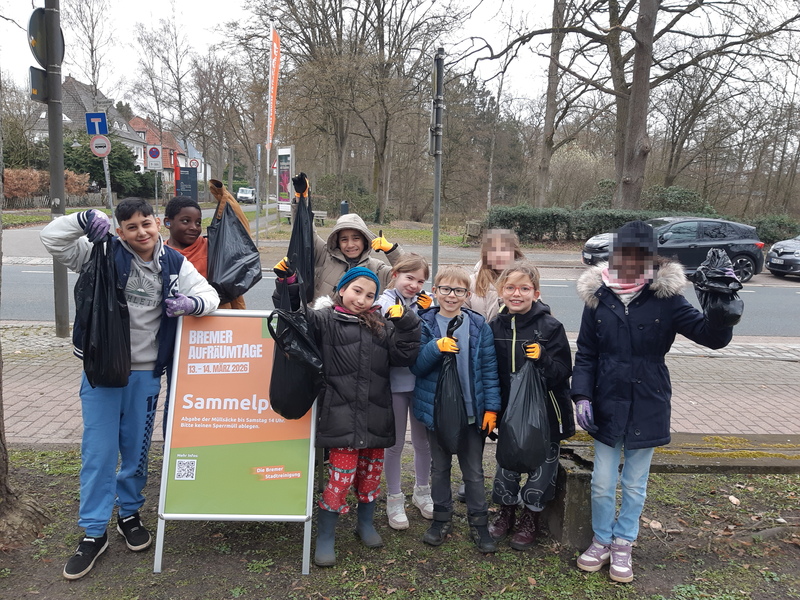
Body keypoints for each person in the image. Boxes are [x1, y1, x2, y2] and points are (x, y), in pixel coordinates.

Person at [40, 199, 219, 580]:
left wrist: (192, 304)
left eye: (146, 224)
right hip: (103, 372)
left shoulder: (174, 263)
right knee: (99, 452)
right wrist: (83, 219)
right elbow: (51, 238)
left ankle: (129, 513)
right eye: (132, 227)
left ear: (158, 224)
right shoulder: (99, 253)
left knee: (136, 452)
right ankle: (93, 532)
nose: (141, 232)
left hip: (146, 375)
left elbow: (211, 296)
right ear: (119, 230)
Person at [571, 220, 735, 583]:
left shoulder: (667, 299)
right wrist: (581, 393)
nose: (628, 262)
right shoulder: (598, 298)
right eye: (622, 254)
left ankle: (623, 542)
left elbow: (711, 338)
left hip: (648, 399)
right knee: (601, 481)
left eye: (637, 256)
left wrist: (722, 308)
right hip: (606, 401)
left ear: (650, 260)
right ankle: (601, 539)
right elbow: (586, 353)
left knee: (633, 482)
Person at [272, 262, 421, 567]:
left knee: (370, 478)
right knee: (340, 479)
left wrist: (406, 323)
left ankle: (365, 524)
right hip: (340, 416)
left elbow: (405, 355)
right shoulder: (325, 319)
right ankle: (326, 535)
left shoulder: (381, 325)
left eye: (369, 295)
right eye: (356, 291)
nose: (362, 299)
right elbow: (296, 317)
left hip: (377, 416)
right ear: (341, 289)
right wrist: (288, 285)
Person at [411, 265, 502, 553]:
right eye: (446, 289)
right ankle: (441, 518)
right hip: (438, 413)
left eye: (459, 290)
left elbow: (489, 370)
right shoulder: (422, 323)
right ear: (435, 291)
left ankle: (478, 522)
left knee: (473, 471)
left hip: (472, 413)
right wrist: (435, 347)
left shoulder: (477, 326)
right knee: (440, 468)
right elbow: (416, 365)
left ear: (468, 294)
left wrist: (491, 409)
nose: (451, 295)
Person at [487, 261, 574, 549]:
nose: (517, 294)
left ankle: (531, 518)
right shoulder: (494, 326)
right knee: (507, 465)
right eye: (510, 287)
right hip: (509, 415)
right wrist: (491, 409)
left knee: (541, 468)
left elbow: (563, 372)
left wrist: (544, 358)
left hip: (545, 415)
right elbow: (489, 371)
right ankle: (506, 513)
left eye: (524, 288)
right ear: (501, 291)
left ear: (536, 293)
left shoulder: (551, 327)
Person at [376, 254, 434, 529]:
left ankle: (423, 492)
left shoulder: (425, 302)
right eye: (409, 278)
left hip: (421, 382)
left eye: (420, 281)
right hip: (395, 384)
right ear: (395, 274)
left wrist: (428, 311)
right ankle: (394, 498)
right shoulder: (384, 302)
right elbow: (391, 330)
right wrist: (415, 315)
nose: (414, 285)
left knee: (423, 443)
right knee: (396, 445)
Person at [290, 174, 404, 299]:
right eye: (344, 239)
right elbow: (304, 231)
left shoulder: (376, 269)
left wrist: (392, 251)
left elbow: (408, 275)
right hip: (319, 318)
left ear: (365, 240)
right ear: (337, 241)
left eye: (356, 238)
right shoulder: (323, 255)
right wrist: (302, 199)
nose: (350, 245)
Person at [466, 228, 525, 322]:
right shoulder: (471, 282)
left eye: (504, 250)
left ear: (514, 253)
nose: (498, 255)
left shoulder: (526, 281)